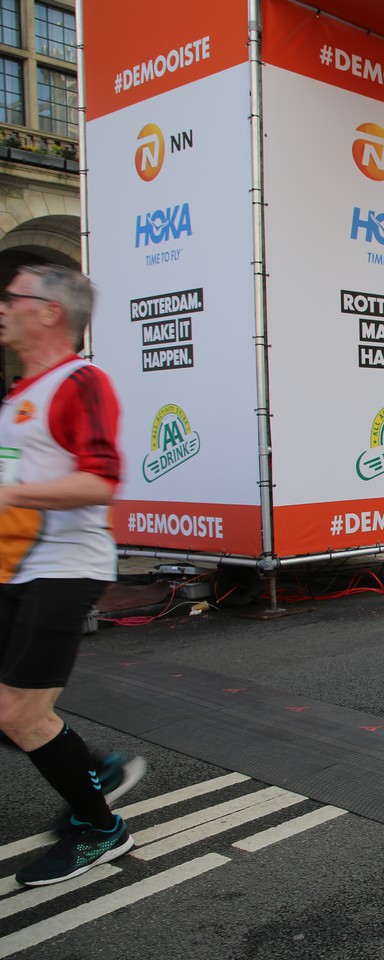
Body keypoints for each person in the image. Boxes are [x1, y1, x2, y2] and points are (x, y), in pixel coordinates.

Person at [0, 265, 147, 886]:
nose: (2, 306)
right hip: (14, 567)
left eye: (11, 297)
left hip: (63, 567)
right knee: (9, 712)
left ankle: (100, 827)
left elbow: (99, 479)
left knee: (18, 713)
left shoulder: (80, 381)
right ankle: (96, 769)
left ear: (49, 312)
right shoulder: (19, 392)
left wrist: (11, 494)